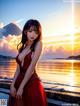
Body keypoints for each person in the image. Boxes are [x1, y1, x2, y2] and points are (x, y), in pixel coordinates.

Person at [7, 19, 48, 106]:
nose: (33, 34)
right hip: (19, 81)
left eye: (36, 32)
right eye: (30, 31)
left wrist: (21, 87)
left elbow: (32, 67)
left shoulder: (38, 44)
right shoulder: (22, 47)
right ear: (25, 31)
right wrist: (12, 85)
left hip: (31, 83)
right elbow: (17, 70)